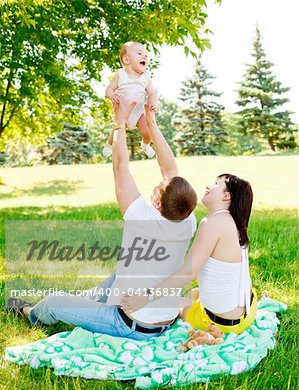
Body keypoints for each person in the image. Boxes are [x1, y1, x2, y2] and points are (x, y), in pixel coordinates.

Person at [7, 102, 197, 341]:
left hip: (129, 324)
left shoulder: (141, 217)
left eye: (158, 189)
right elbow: (170, 169)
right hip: (162, 319)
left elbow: (120, 167)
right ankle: (88, 299)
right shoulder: (187, 219)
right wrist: (152, 123)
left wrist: (119, 123)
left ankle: (29, 312)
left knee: (55, 303)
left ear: (158, 204)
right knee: (116, 277)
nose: (158, 184)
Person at [121, 173, 257, 335]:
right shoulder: (234, 221)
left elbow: (189, 272)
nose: (208, 187)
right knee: (193, 293)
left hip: (221, 325)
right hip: (247, 312)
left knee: (177, 305)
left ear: (227, 196)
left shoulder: (212, 223)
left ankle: (188, 311)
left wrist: (144, 298)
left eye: (215, 184)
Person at [102, 41, 157, 159]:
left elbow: (152, 93)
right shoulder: (121, 75)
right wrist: (112, 95)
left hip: (138, 114)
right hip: (122, 112)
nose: (144, 57)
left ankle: (145, 145)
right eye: (139, 53)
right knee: (116, 132)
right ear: (126, 60)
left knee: (148, 133)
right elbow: (109, 89)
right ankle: (109, 145)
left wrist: (152, 102)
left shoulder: (146, 77)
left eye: (146, 55)